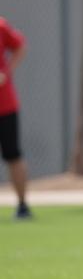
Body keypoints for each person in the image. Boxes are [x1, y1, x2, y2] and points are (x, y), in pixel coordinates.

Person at [0, 16, 31, 219]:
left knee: (13, 154)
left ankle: (22, 205)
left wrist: (6, 72)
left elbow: (20, 46)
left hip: (5, 106)